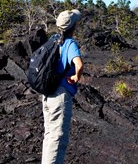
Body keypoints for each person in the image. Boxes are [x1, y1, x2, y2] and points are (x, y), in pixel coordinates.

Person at [41, 9, 83, 164]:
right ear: (73, 26)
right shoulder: (70, 43)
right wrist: (76, 77)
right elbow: (79, 65)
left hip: (47, 92)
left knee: (49, 135)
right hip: (60, 94)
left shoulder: (53, 39)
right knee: (58, 137)